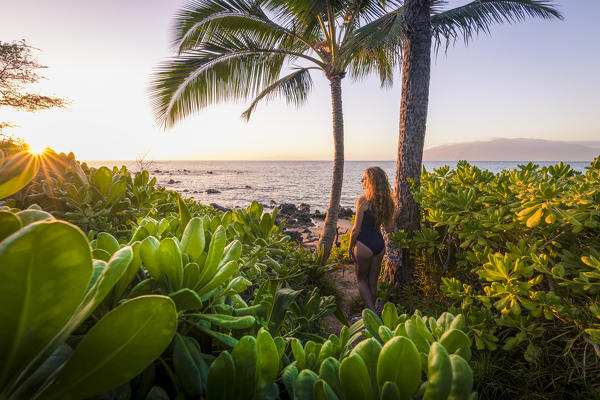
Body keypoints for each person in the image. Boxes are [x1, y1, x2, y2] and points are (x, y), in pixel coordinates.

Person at [347, 166, 395, 312]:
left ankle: (372, 315)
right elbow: (388, 230)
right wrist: (395, 216)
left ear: (371, 182)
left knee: (362, 280)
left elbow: (356, 229)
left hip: (363, 245)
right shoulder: (387, 202)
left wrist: (350, 247)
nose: (361, 180)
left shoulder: (362, 200)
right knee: (373, 281)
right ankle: (372, 310)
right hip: (379, 245)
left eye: (364, 178)